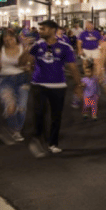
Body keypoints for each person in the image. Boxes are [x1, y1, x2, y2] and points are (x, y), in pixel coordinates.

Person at [28, 20, 81, 156]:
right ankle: (39, 140)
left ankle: (53, 143)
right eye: (40, 29)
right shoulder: (37, 45)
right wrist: (26, 48)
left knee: (56, 116)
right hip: (39, 84)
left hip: (58, 86)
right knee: (39, 113)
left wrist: (78, 85)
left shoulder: (65, 47)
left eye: (43, 29)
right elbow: (26, 62)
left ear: (52, 30)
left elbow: (73, 67)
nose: (40, 31)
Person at [0, 28, 32, 143]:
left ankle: (17, 129)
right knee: (10, 106)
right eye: (5, 40)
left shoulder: (23, 48)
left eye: (11, 39)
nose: (8, 42)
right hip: (4, 80)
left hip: (22, 79)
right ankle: (14, 129)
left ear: (16, 39)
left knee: (22, 107)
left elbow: (27, 63)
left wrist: (27, 65)